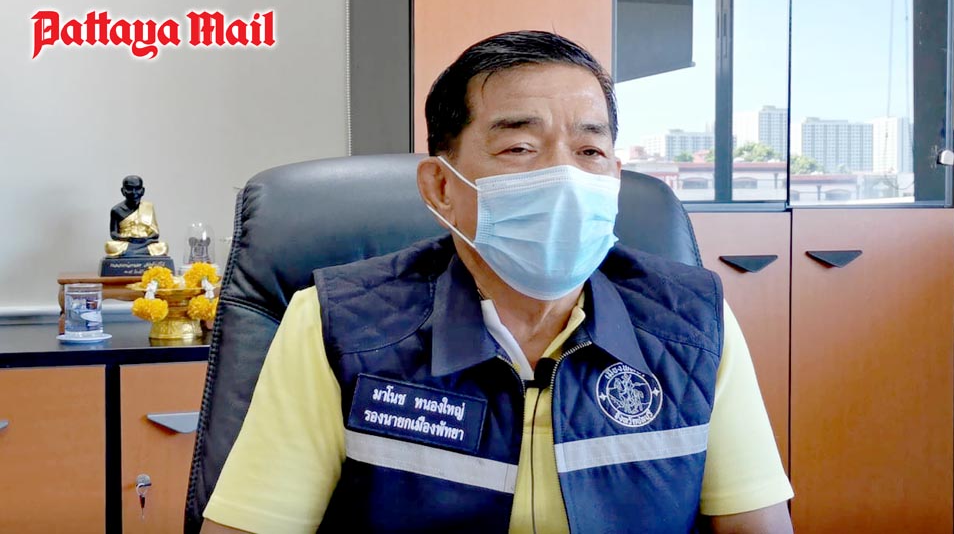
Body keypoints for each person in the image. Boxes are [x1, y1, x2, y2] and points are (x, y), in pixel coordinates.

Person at [200, 31, 794, 533]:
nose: (564, 175)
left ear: (615, 176)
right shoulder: (337, 323)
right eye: (519, 147)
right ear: (441, 188)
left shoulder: (694, 319)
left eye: (589, 150)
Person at [104, 175, 168, 258]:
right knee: (109, 246)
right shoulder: (116, 210)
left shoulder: (148, 207)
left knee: (163, 246)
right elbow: (113, 234)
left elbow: (155, 233)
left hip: (145, 242)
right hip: (126, 242)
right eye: (129, 189)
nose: (134, 192)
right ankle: (139, 252)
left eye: (137, 188)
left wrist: (145, 239)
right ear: (123, 191)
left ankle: (131, 253)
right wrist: (128, 238)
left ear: (143, 191)